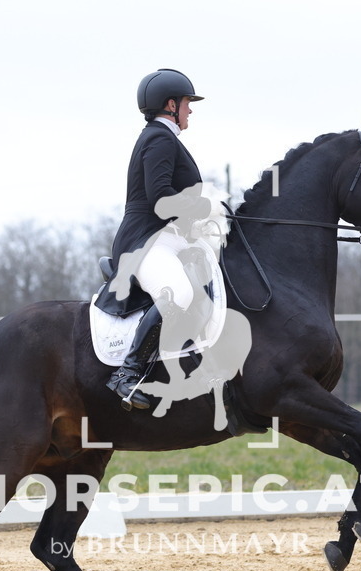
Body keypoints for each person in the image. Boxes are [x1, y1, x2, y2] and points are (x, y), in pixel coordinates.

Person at [94, 68, 212, 410]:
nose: (191, 110)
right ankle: (127, 374)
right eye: (187, 103)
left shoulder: (163, 138)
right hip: (146, 241)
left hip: (167, 238)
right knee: (178, 293)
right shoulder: (160, 139)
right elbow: (160, 197)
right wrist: (203, 205)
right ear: (171, 105)